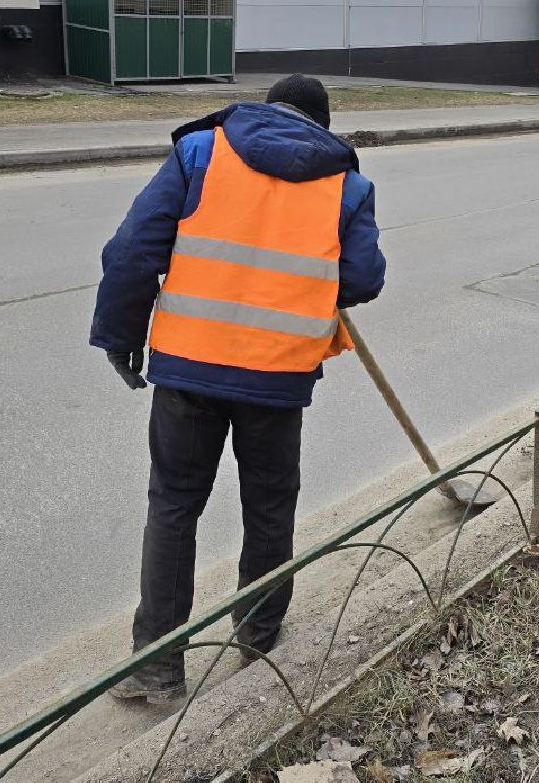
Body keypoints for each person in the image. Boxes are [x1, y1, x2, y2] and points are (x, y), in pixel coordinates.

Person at [90, 74, 387, 703]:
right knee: (270, 508)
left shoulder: (201, 152)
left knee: (174, 507)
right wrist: (313, 282)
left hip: (188, 373)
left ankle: (157, 665)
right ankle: (256, 644)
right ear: (321, 125)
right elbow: (363, 277)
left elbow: (131, 251)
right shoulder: (346, 184)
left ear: (270, 109)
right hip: (276, 379)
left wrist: (121, 337)